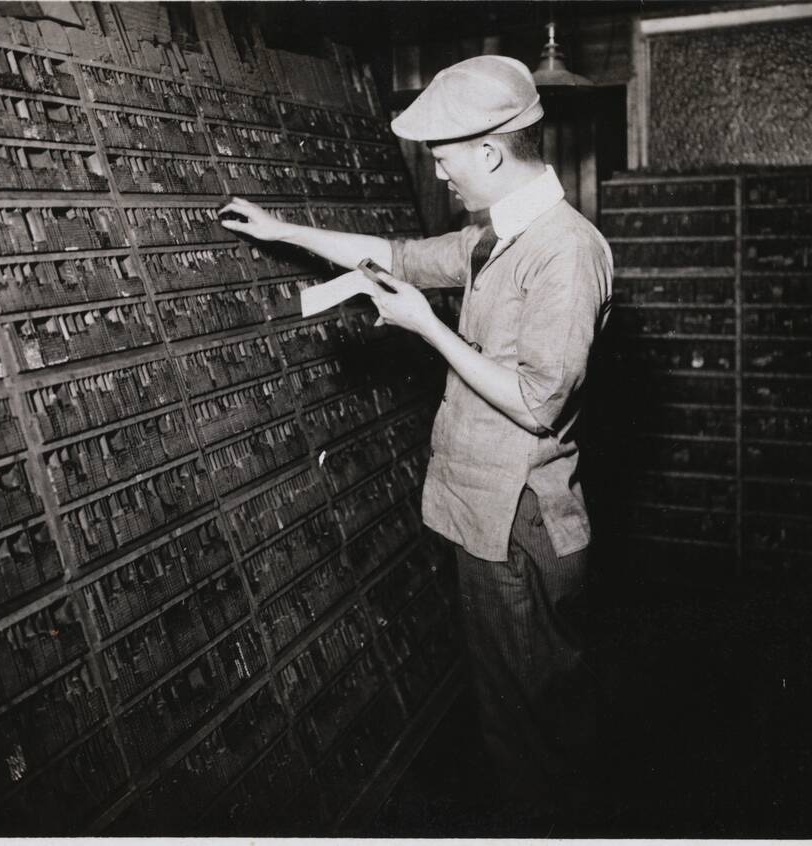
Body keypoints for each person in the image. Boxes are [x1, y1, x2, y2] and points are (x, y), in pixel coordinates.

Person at [219, 55, 612, 826]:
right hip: (489, 514)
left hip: (519, 524)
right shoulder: (495, 238)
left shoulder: (564, 250)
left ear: (491, 153)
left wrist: (427, 326)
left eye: (446, 154)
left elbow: (537, 403)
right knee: (515, 715)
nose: (439, 170)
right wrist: (281, 228)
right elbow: (394, 255)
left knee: (526, 732)